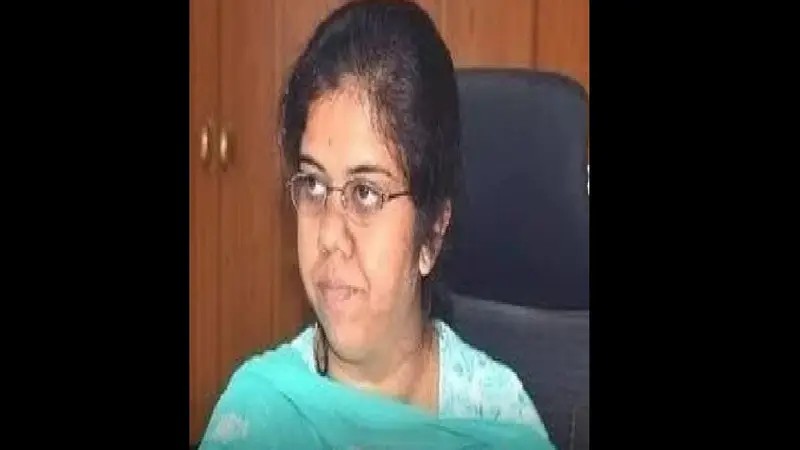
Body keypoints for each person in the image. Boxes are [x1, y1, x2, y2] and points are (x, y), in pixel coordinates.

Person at [199, 1, 553, 448]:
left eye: (366, 193)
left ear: (432, 233)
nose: (329, 236)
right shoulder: (258, 417)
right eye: (313, 184)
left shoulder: (498, 420)